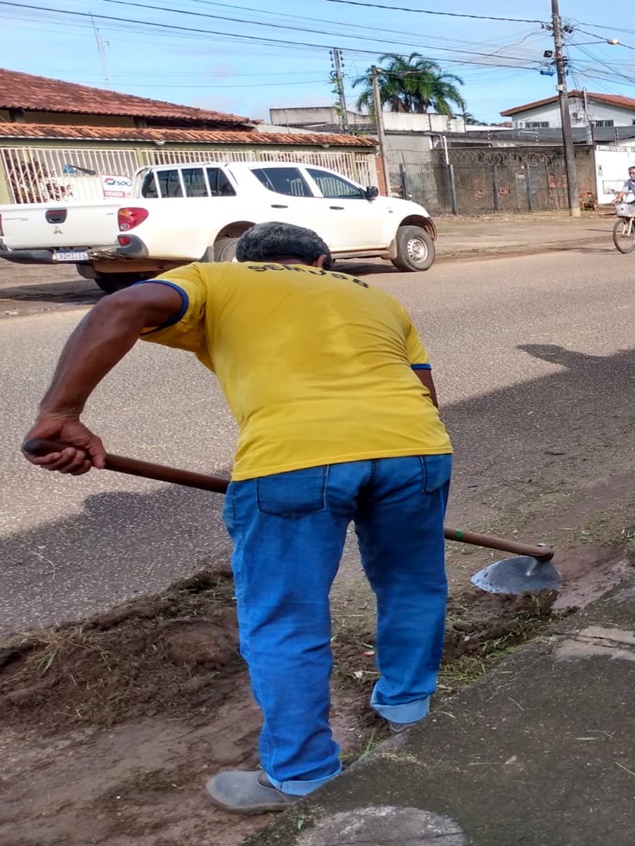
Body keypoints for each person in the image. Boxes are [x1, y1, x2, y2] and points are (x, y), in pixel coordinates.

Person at [22, 222, 453, 814]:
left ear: (242, 258)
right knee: (412, 585)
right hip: (417, 451)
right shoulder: (376, 295)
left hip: (294, 460)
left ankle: (302, 774)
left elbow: (120, 307)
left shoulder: (214, 278)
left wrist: (60, 413)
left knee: (286, 617)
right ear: (321, 261)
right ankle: (408, 705)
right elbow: (425, 393)